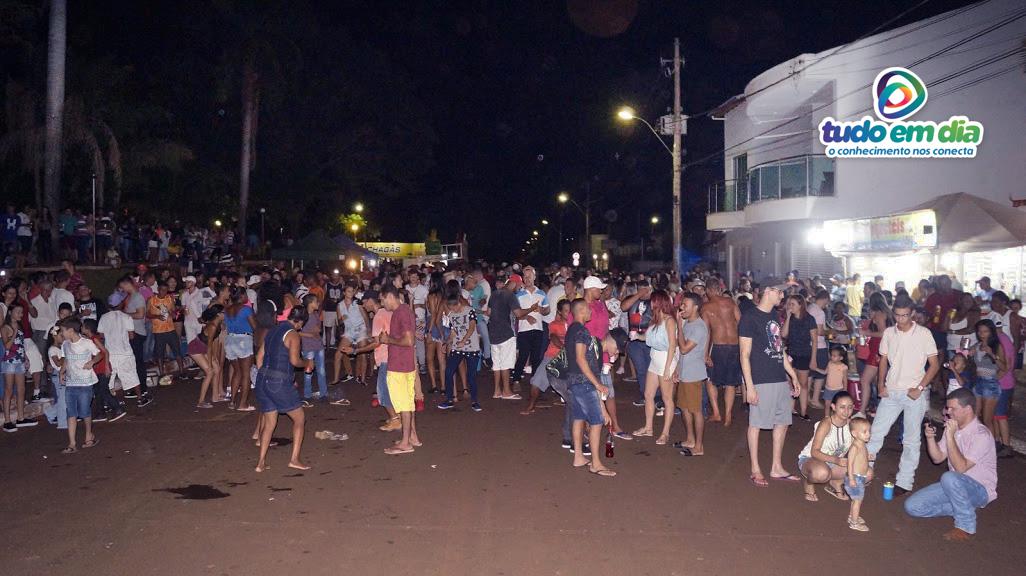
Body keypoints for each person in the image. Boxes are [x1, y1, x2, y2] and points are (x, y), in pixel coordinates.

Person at [866, 294, 940, 496]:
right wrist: (881, 385)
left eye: (905, 315)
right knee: (875, 433)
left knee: (911, 440)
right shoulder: (889, 333)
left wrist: (920, 388)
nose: (901, 319)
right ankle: (864, 470)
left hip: (913, 394)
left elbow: (934, 365)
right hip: (891, 391)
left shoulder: (923, 333)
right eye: (897, 315)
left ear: (912, 313)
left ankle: (905, 481)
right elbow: (883, 360)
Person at [904, 388, 998, 542]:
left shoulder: (982, 435)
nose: (948, 412)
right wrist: (930, 438)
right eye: (947, 408)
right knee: (912, 507)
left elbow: (961, 468)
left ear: (967, 409)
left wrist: (950, 436)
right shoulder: (955, 430)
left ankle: (965, 525)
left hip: (979, 490)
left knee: (949, 477)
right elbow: (938, 458)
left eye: (952, 408)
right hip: (954, 485)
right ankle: (962, 506)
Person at [740, 284, 800, 487]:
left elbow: (778, 348)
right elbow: (744, 354)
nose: (782, 295)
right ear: (767, 291)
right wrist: (750, 386)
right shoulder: (749, 317)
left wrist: (792, 375)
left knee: (783, 421)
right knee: (756, 423)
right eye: (779, 292)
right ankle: (755, 468)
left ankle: (776, 467)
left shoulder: (774, 315)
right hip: (761, 379)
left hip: (778, 377)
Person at [253, 306, 314, 473]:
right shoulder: (293, 334)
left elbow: (259, 358)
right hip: (278, 381)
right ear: (300, 321)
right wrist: (307, 363)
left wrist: (265, 377)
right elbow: (295, 361)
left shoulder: (272, 331)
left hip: (262, 380)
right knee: (300, 419)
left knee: (269, 423)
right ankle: (294, 459)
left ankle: (261, 463)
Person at [565, 298, 616, 477]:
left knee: (578, 418)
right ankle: (596, 463)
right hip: (583, 382)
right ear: (581, 311)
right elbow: (581, 358)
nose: (590, 312)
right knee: (596, 422)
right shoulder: (581, 331)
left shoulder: (571, 329)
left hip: (573, 380)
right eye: (588, 309)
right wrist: (597, 383)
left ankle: (578, 456)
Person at [798, 391, 866, 502]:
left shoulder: (852, 425)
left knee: (866, 473)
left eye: (850, 407)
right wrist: (836, 460)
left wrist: (865, 456)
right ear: (833, 407)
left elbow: (859, 447)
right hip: (811, 460)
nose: (846, 411)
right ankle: (809, 483)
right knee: (821, 473)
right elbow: (814, 452)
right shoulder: (826, 423)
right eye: (842, 407)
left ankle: (836, 482)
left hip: (833, 464)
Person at [379, 284, 421, 454]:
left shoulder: (401, 312)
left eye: (382, 300)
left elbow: (409, 341)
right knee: (408, 403)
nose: (383, 304)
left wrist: (388, 340)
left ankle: (405, 443)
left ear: (389, 296)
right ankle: (412, 437)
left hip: (399, 366)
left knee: (403, 405)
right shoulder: (404, 310)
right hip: (406, 364)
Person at [633, 289, 678, 445]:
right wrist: (638, 336)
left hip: (666, 359)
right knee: (648, 394)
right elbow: (649, 336)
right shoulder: (655, 319)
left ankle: (665, 433)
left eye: (652, 301)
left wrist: (668, 369)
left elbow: (673, 344)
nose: (650, 304)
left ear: (658, 302)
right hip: (655, 359)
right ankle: (648, 427)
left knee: (667, 399)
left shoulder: (670, 321)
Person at [486, 274, 537, 400]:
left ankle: (497, 391)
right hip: (506, 333)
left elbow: (489, 313)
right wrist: (531, 309)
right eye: (519, 286)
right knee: (506, 363)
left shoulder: (495, 293)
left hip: (493, 333)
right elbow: (518, 314)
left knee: (497, 364)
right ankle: (507, 392)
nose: (519, 288)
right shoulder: (510, 295)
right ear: (515, 283)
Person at [59, 318, 102, 453]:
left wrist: (92, 362)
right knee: (71, 412)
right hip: (71, 384)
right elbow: (66, 359)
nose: (61, 333)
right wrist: (62, 371)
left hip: (85, 383)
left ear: (71, 330)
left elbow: (100, 354)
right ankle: (72, 443)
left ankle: (89, 435)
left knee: (84, 412)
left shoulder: (87, 343)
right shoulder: (65, 344)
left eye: (63, 330)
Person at [523, 299, 570, 415]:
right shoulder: (554, 324)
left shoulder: (575, 325)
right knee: (536, 382)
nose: (569, 313)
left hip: (569, 359)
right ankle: (531, 406)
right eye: (566, 311)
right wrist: (564, 347)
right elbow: (554, 337)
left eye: (570, 311)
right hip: (552, 356)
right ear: (559, 312)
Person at [674, 291, 707, 456]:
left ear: (695, 307)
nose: (682, 307)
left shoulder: (699, 327)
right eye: (682, 304)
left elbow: (685, 348)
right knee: (684, 408)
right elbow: (681, 351)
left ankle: (699, 446)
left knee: (695, 410)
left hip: (694, 374)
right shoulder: (688, 323)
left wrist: (679, 326)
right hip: (685, 373)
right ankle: (690, 439)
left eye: (685, 305)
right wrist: (677, 369)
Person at [439, 292, 481, 411]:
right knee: (448, 372)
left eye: (453, 308)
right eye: (450, 308)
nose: (453, 310)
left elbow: (472, 327)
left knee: (471, 376)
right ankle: (449, 399)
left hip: (472, 348)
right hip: (457, 348)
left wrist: (464, 340)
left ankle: (474, 401)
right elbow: (453, 332)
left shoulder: (469, 311)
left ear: (458, 304)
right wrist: (446, 343)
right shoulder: (452, 315)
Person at [118, 276, 153, 405]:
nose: (121, 290)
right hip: (133, 332)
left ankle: (142, 388)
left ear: (127, 285)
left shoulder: (137, 297)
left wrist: (123, 315)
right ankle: (137, 388)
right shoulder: (130, 297)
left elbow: (140, 315)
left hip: (137, 332)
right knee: (135, 362)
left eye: (122, 287)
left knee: (138, 362)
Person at [511, 266, 549, 385]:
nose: (527, 279)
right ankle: (516, 380)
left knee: (536, 357)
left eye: (529, 276)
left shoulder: (541, 293)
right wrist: (527, 316)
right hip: (524, 330)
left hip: (538, 329)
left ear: (534, 277)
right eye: (525, 277)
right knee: (523, 356)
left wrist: (541, 310)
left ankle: (535, 382)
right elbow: (515, 314)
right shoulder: (518, 295)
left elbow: (547, 310)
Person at [782, 294, 816, 420]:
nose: (790, 306)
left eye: (793, 304)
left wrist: (813, 359)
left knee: (803, 383)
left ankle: (803, 411)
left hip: (804, 354)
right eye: (789, 304)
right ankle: (791, 408)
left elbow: (814, 340)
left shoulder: (809, 319)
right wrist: (788, 316)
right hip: (791, 354)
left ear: (800, 305)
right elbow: (784, 334)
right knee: (791, 382)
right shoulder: (790, 319)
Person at [2, 303, 36, 430]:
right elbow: (7, 346)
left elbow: (21, 345)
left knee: (21, 390)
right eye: (18, 312)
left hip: (20, 361)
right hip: (9, 362)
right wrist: (15, 332)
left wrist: (26, 357)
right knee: (9, 390)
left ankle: (21, 418)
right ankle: (7, 421)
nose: (20, 315)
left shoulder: (19, 326)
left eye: (21, 312)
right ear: (10, 312)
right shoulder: (5, 327)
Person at [970, 319, 1006, 433]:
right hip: (978, 382)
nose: (982, 334)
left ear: (991, 332)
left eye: (985, 331)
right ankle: (979, 442)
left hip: (990, 384)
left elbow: (1004, 367)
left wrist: (992, 354)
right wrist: (968, 353)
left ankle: (992, 446)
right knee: (974, 417)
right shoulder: (977, 345)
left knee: (987, 420)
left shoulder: (997, 346)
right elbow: (973, 364)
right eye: (980, 331)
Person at [224, 286, 257, 411]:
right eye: (246, 295)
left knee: (236, 371)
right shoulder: (246, 309)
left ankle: (232, 401)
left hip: (230, 340)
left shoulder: (227, 309)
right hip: (243, 340)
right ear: (242, 296)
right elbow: (254, 326)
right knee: (245, 374)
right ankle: (243, 403)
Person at [189, 305, 223, 408]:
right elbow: (209, 345)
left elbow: (213, 343)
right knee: (210, 372)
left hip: (203, 348)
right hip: (196, 348)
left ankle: (215, 396)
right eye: (223, 312)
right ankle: (201, 401)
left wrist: (213, 358)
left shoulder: (218, 324)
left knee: (217, 368)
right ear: (218, 314)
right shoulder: (212, 326)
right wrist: (209, 362)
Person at [148, 281, 184, 377]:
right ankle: (162, 373)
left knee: (177, 350)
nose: (164, 292)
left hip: (170, 329)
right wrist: (157, 316)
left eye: (166, 290)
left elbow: (173, 311)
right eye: (162, 290)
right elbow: (147, 314)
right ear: (158, 290)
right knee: (160, 353)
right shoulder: (151, 300)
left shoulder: (169, 299)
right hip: (158, 331)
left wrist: (173, 314)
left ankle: (182, 372)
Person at [299, 294, 328, 403]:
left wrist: (317, 330)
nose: (318, 303)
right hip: (308, 347)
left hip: (318, 345)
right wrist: (310, 334)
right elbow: (297, 332)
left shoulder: (315, 314)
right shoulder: (302, 315)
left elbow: (318, 329)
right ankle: (307, 394)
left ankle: (323, 394)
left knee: (321, 370)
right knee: (308, 371)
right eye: (316, 302)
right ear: (310, 303)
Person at [845, 417, 872, 532]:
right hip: (855, 477)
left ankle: (852, 516)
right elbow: (850, 464)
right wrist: (851, 479)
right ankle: (854, 523)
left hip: (859, 477)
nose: (868, 434)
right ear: (854, 433)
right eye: (864, 431)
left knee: (855, 500)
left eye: (869, 431)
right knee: (857, 501)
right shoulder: (855, 447)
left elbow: (861, 459)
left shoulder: (862, 444)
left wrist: (868, 457)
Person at [807, 290, 830, 410]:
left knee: (809, 373)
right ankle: (815, 399)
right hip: (819, 346)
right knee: (820, 374)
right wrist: (830, 333)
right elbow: (820, 331)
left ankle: (807, 398)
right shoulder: (820, 312)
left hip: (808, 345)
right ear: (825, 299)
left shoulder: (810, 307)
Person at [824, 346, 848, 417]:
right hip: (828, 388)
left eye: (834, 356)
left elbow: (845, 379)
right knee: (827, 405)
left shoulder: (844, 367)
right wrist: (816, 369)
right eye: (831, 355)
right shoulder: (830, 363)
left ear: (841, 358)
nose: (832, 357)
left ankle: (834, 419)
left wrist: (845, 389)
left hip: (838, 389)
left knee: (836, 406)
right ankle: (826, 419)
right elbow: (825, 372)